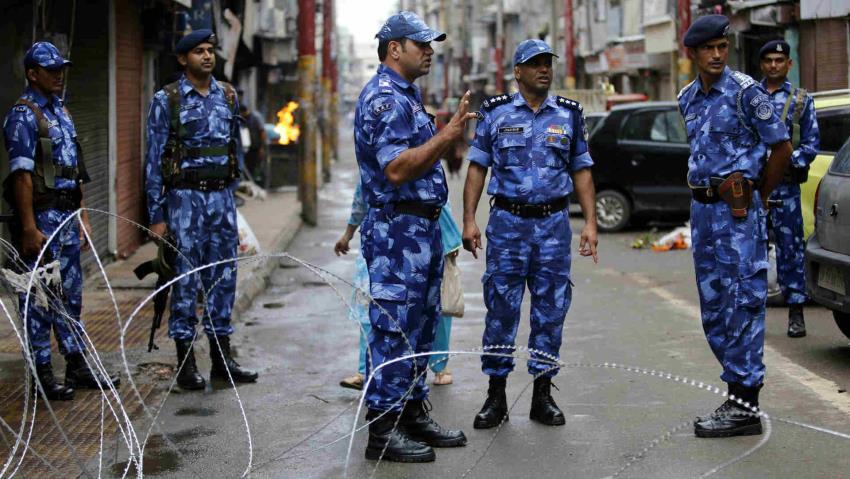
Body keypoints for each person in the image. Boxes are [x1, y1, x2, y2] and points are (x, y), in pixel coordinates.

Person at [354, 11, 476, 463]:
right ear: (393, 49)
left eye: (431, 44)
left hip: (420, 228)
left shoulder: (408, 95)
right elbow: (398, 168)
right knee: (394, 329)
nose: (429, 51)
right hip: (396, 232)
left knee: (421, 327)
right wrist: (447, 135)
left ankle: (410, 413)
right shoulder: (384, 99)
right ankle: (382, 431)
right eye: (420, 44)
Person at [462, 39, 599, 430]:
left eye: (547, 63)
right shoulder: (495, 112)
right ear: (517, 72)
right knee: (501, 309)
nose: (543, 69)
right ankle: (496, 395)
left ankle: (542, 394)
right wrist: (469, 220)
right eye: (534, 63)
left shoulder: (569, 115)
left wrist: (590, 223)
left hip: (554, 226)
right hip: (507, 224)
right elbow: (477, 168)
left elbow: (582, 170)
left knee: (551, 310)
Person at [678, 15, 792, 438]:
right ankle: (736, 392)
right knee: (713, 308)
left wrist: (760, 195)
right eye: (707, 48)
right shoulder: (686, 97)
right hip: (704, 213)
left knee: (744, 301)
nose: (716, 55)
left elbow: (781, 147)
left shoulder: (747, 93)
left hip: (739, 212)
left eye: (722, 47)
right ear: (692, 53)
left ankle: (744, 404)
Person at [2, 41, 120, 400]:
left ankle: (76, 363)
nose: (58, 75)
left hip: (67, 218)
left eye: (61, 68)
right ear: (32, 74)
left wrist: (82, 214)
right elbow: (21, 177)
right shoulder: (24, 116)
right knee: (38, 297)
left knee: (71, 296)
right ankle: (41, 373)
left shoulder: (62, 113)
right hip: (41, 220)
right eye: (50, 69)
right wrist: (28, 228)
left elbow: (75, 171)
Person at [144, 29, 258, 391]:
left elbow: (233, 148)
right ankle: (186, 363)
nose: (207, 56)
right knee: (186, 281)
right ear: (183, 59)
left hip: (222, 201)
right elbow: (153, 159)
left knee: (224, 279)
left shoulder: (227, 95)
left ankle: (223, 361)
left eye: (210, 50)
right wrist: (157, 216)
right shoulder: (168, 100)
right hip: (184, 202)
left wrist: (235, 191)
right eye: (198, 51)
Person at [335, 182, 462, 390]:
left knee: (430, 305)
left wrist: (449, 239)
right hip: (377, 242)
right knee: (369, 306)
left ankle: (439, 365)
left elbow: (439, 199)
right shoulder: (372, 161)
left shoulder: (419, 157)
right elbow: (361, 199)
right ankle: (365, 369)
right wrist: (348, 235)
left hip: (417, 239)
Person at [758, 39, 820, 338]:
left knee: (790, 251)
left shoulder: (799, 100)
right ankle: (752, 314)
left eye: (779, 61)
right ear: (761, 64)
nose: (773, 65)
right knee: (751, 250)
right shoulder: (750, 96)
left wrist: (786, 161)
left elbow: (811, 144)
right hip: (755, 190)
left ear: (789, 65)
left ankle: (796, 313)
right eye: (768, 60)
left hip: (786, 189)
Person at [238, 97, 267, 183]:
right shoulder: (242, 119)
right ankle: (249, 182)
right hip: (247, 147)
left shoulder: (256, 117)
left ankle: (258, 182)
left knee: (256, 166)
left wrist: (262, 147)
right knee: (248, 165)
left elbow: (262, 132)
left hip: (256, 147)